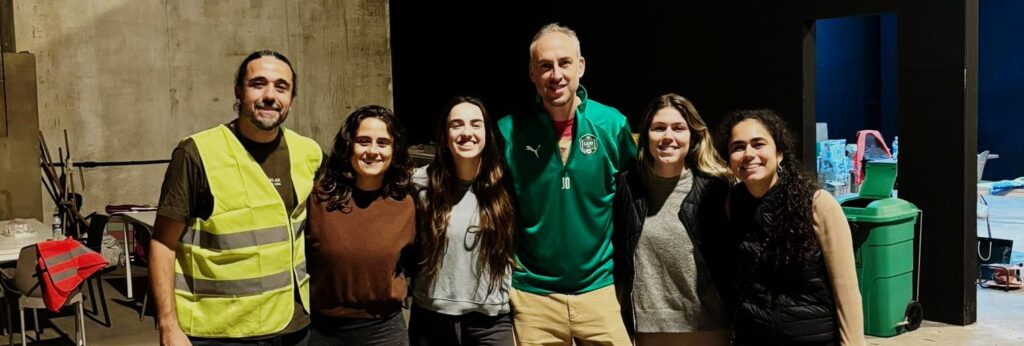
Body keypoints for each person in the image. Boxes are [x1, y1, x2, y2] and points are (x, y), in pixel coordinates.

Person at [151, 50, 322, 346]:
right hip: (219, 332)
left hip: (291, 326)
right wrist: (168, 326)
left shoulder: (308, 153)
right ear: (238, 92)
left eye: (281, 87)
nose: (270, 95)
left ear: (291, 99)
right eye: (258, 84)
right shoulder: (196, 153)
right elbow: (163, 243)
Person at [497, 23, 636, 345]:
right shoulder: (508, 132)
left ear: (581, 66)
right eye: (545, 66)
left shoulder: (612, 124)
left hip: (599, 289)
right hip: (533, 295)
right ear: (532, 73)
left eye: (564, 63)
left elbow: (635, 199)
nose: (556, 74)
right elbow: (495, 205)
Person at [716, 109, 864, 345]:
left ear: (779, 153)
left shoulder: (817, 204)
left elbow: (846, 291)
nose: (749, 154)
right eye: (738, 147)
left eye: (758, 144)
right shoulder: (731, 204)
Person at [612, 94, 733, 345]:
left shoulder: (716, 189)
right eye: (659, 128)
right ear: (646, 135)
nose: (668, 136)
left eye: (678, 128)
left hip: (708, 328)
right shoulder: (627, 187)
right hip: (647, 330)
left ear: (693, 136)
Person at [408, 96, 516, 345]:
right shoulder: (420, 183)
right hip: (431, 318)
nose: (467, 132)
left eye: (476, 124)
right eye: (456, 125)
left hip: (491, 322)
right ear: (445, 136)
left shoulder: (507, 184)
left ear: (487, 134)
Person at [305, 105, 416, 346]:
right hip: (324, 330)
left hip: (384, 331)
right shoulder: (319, 199)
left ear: (394, 150)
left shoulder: (406, 203)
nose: (373, 151)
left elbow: (413, 261)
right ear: (349, 146)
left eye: (382, 143)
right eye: (363, 141)